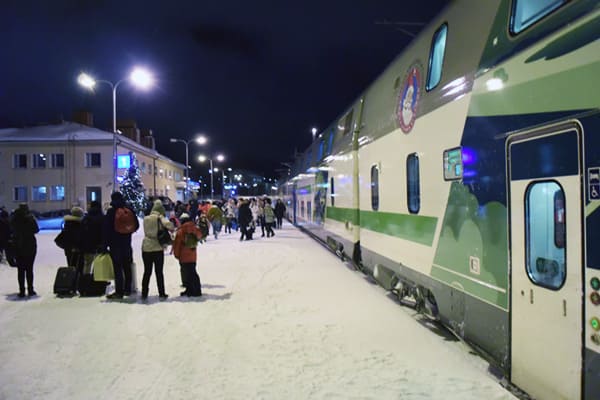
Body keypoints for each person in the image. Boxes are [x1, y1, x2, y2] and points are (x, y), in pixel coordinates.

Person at [103, 191, 139, 299]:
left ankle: (119, 291)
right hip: (127, 243)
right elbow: (136, 225)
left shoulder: (111, 211)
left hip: (115, 244)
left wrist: (105, 244)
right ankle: (128, 289)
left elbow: (106, 229)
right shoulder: (128, 210)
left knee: (117, 268)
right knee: (127, 266)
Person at [141, 199, 174, 300]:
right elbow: (170, 226)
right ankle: (161, 292)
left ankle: (144, 293)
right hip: (157, 247)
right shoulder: (160, 218)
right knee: (159, 272)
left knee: (147, 271)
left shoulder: (146, 218)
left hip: (146, 247)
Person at [9, 203, 39, 297]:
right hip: (30, 245)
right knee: (29, 269)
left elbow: (11, 229)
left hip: (18, 246)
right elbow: (36, 230)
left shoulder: (14, 219)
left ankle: (22, 290)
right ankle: (30, 289)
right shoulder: (30, 218)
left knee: (20, 270)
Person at [172, 213, 203, 297]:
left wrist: (177, 255)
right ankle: (195, 290)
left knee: (187, 274)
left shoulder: (181, 230)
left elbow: (177, 244)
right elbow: (200, 236)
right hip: (192, 255)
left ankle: (192, 290)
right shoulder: (194, 228)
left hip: (183, 256)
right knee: (193, 272)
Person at [58, 206, 86, 284]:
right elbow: (79, 237)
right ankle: (79, 283)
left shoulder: (67, 223)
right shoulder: (78, 224)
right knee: (80, 267)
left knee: (71, 266)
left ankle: (71, 282)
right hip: (78, 248)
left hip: (68, 249)